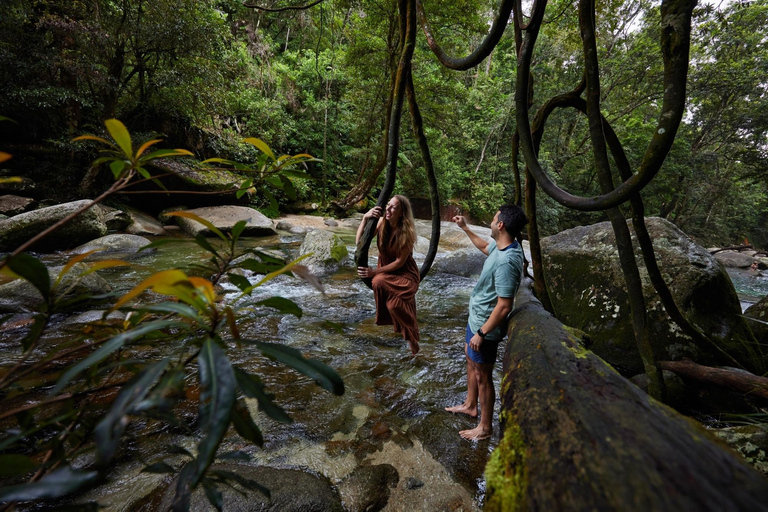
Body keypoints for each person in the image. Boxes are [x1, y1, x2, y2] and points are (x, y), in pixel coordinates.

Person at [445, 204, 527, 440]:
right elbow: (485, 246)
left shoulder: (507, 262)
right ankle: (471, 405)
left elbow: (504, 305)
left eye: (493, 219)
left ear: (500, 225)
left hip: (486, 327)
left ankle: (485, 428)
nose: (491, 222)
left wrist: (481, 332)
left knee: (483, 375)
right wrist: (465, 228)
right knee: (471, 361)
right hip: (477, 318)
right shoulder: (502, 248)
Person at [356, 195, 421, 355]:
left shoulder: (407, 232)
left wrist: (373, 272)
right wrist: (365, 218)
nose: (388, 209)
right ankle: (412, 340)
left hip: (405, 275)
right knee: (394, 305)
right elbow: (359, 244)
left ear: (402, 212)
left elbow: (399, 262)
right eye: (388, 205)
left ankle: (413, 336)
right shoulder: (381, 223)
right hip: (387, 273)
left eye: (393, 207)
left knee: (377, 281)